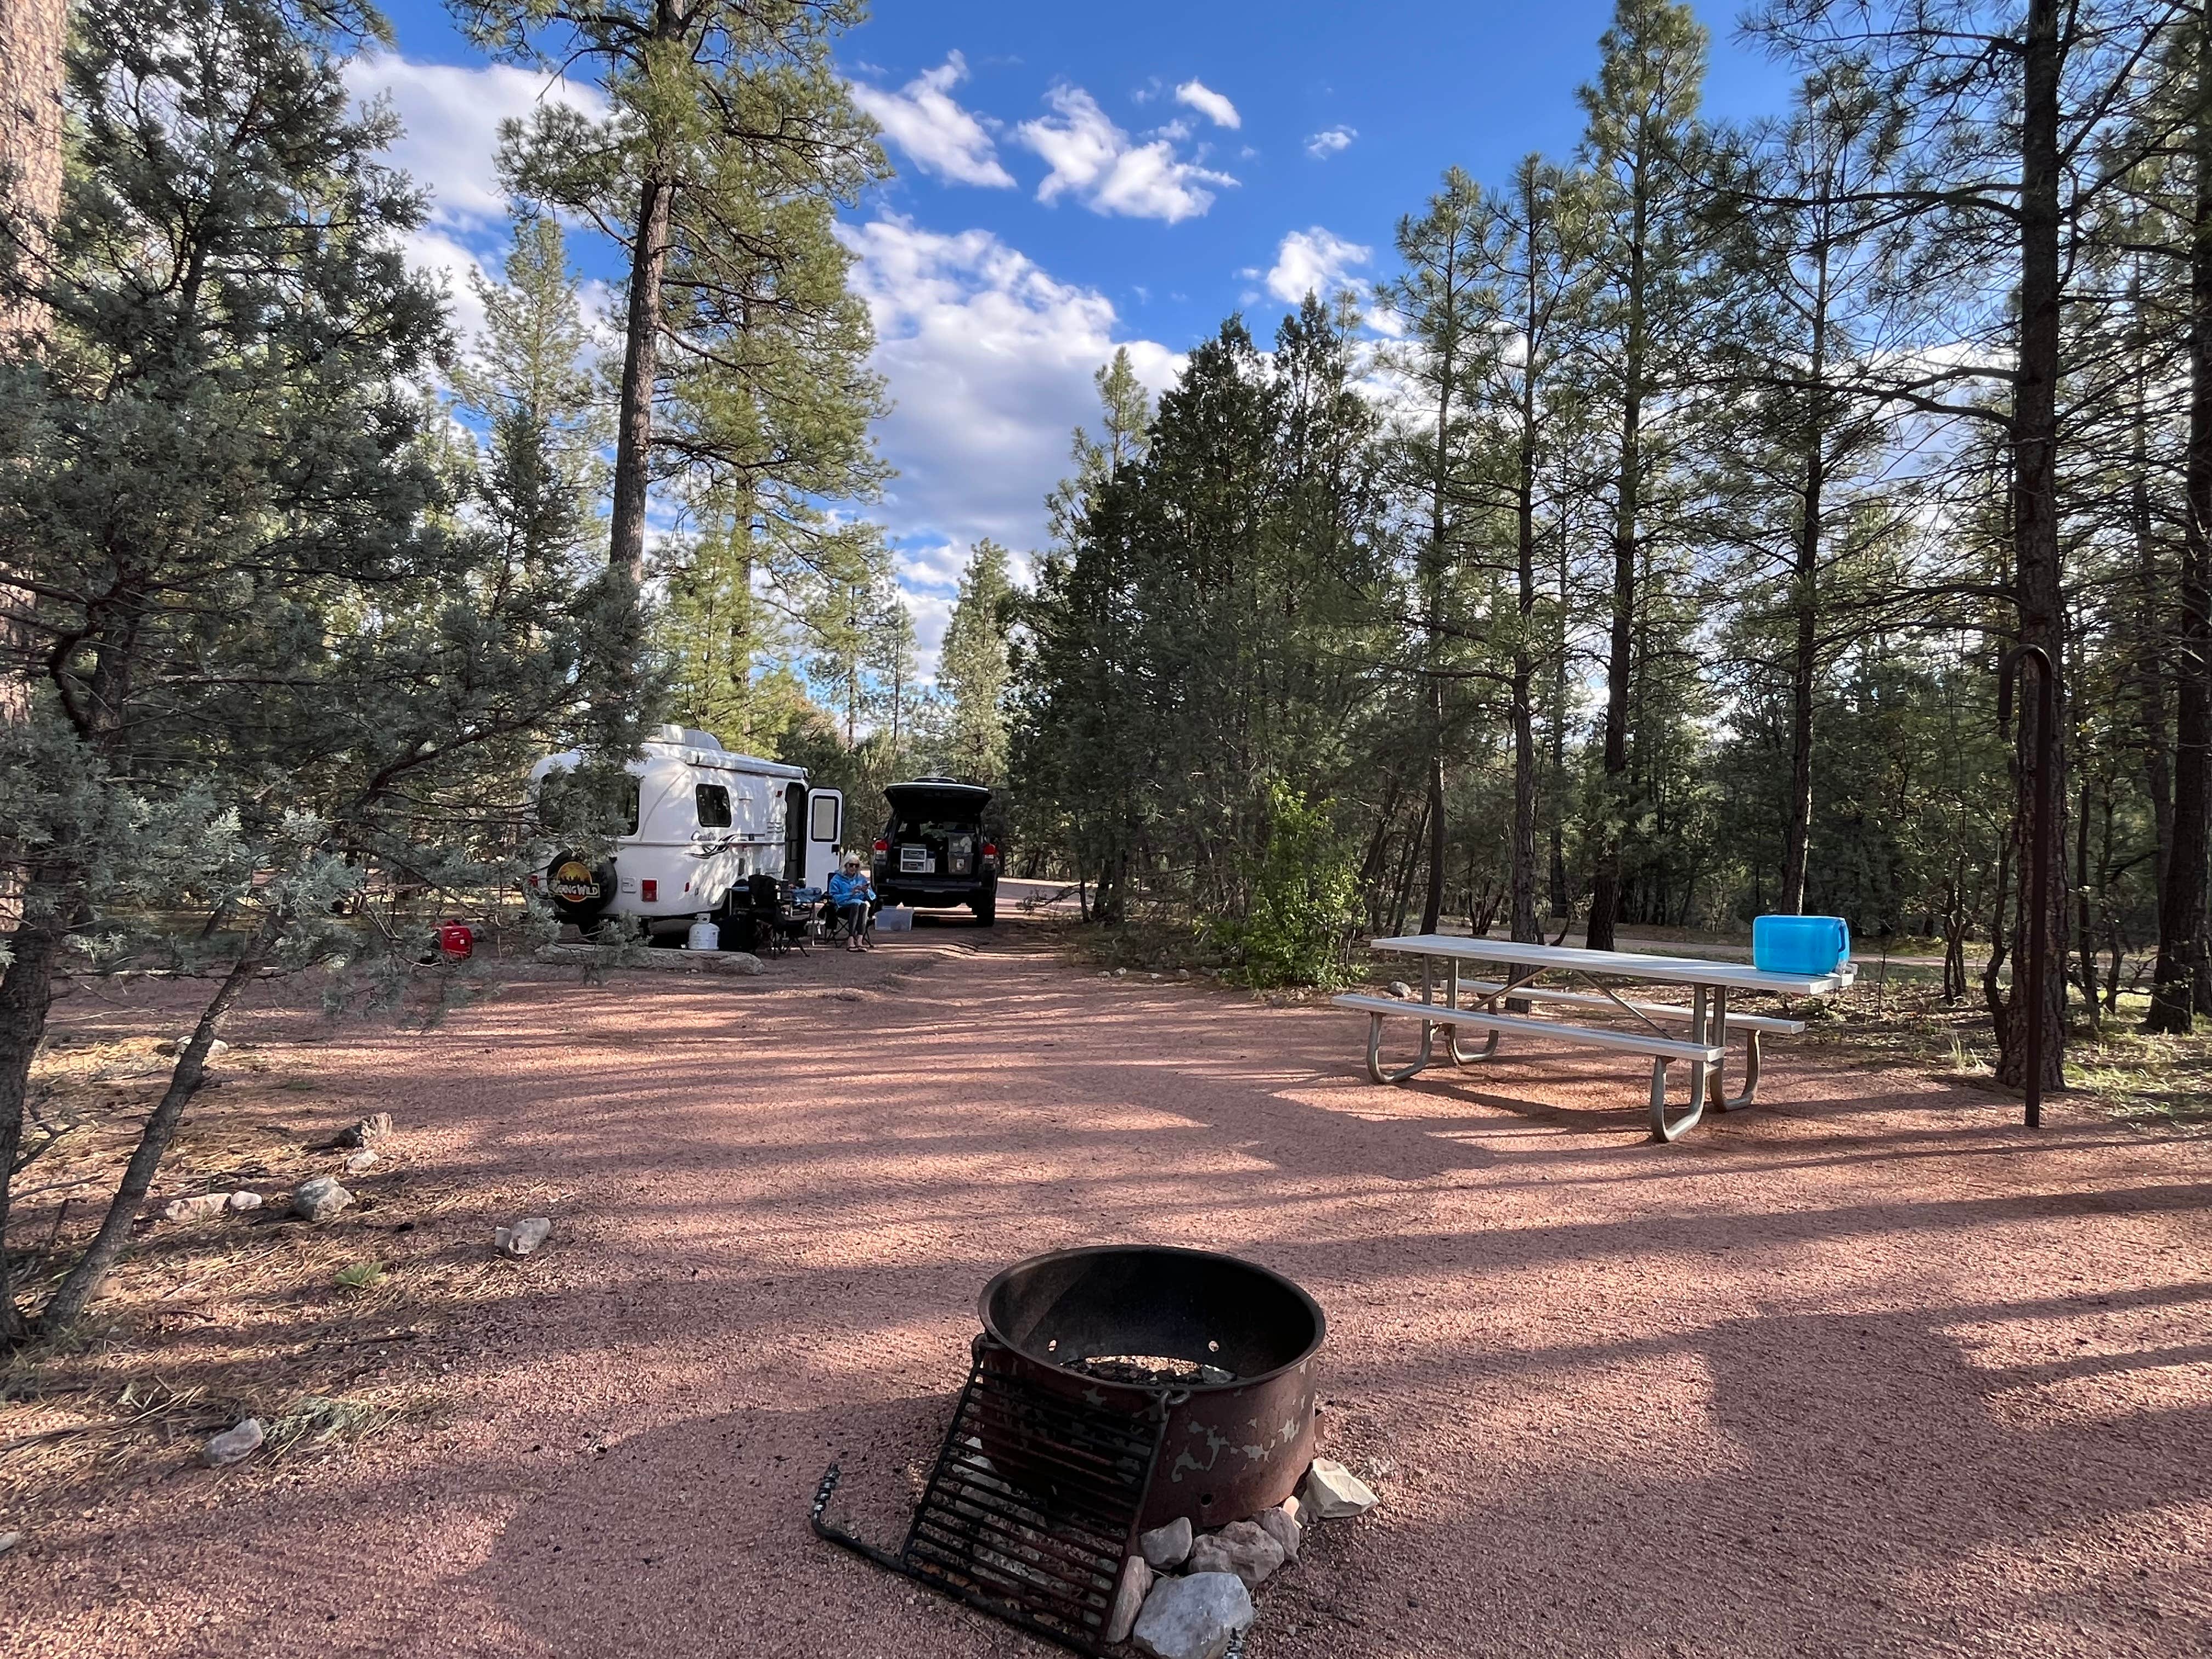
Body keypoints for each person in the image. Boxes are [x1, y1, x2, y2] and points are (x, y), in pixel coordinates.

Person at [826, 854, 873, 951]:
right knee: (856, 905)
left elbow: (873, 897)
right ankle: (851, 940)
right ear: (845, 865)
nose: (854, 868)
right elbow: (834, 898)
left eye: (856, 866)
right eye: (851, 865)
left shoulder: (861, 879)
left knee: (863, 905)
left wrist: (866, 891)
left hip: (861, 908)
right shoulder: (837, 879)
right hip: (842, 908)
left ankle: (860, 940)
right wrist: (850, 894)